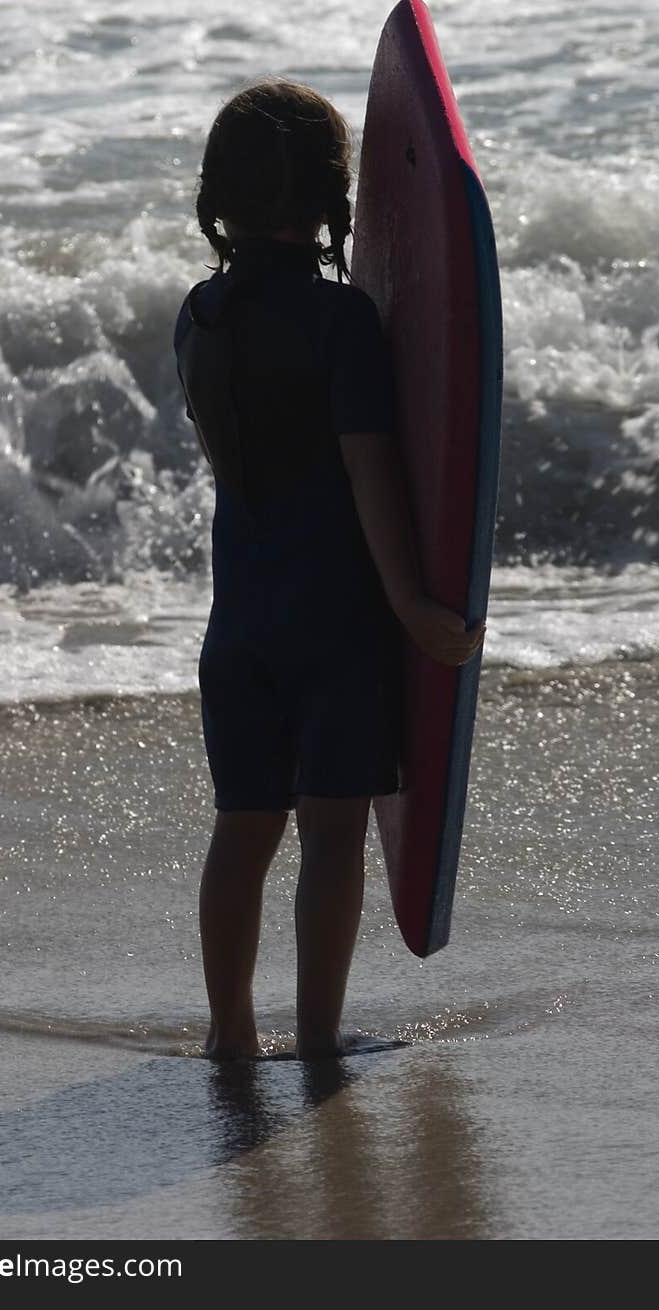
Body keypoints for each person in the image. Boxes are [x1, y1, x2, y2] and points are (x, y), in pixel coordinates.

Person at [174, 80, 485, 1061]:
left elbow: (240, 461)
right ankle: (314, 1034)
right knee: (334, 834)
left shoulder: (198, 319)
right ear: (326, 199)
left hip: (237, 627)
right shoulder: (339, 321)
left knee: (243, 830)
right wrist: (410, 605)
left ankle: (229, 1029)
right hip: (334, 627)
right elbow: (365, 473)